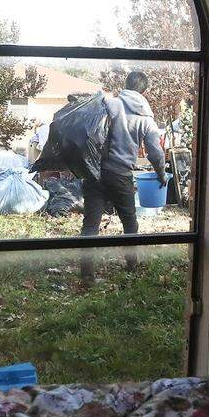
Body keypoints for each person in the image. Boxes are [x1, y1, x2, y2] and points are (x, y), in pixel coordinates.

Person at [80, 71, 167, 280]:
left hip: (94, 172)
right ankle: (131, 267)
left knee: (91, 224)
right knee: (129, 223)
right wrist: (161, 174)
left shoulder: (109, 104)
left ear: (126, 85)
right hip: (120, 174)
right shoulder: (146, 118)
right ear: (144, 91)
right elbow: (155, 153)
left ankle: (87, 275)